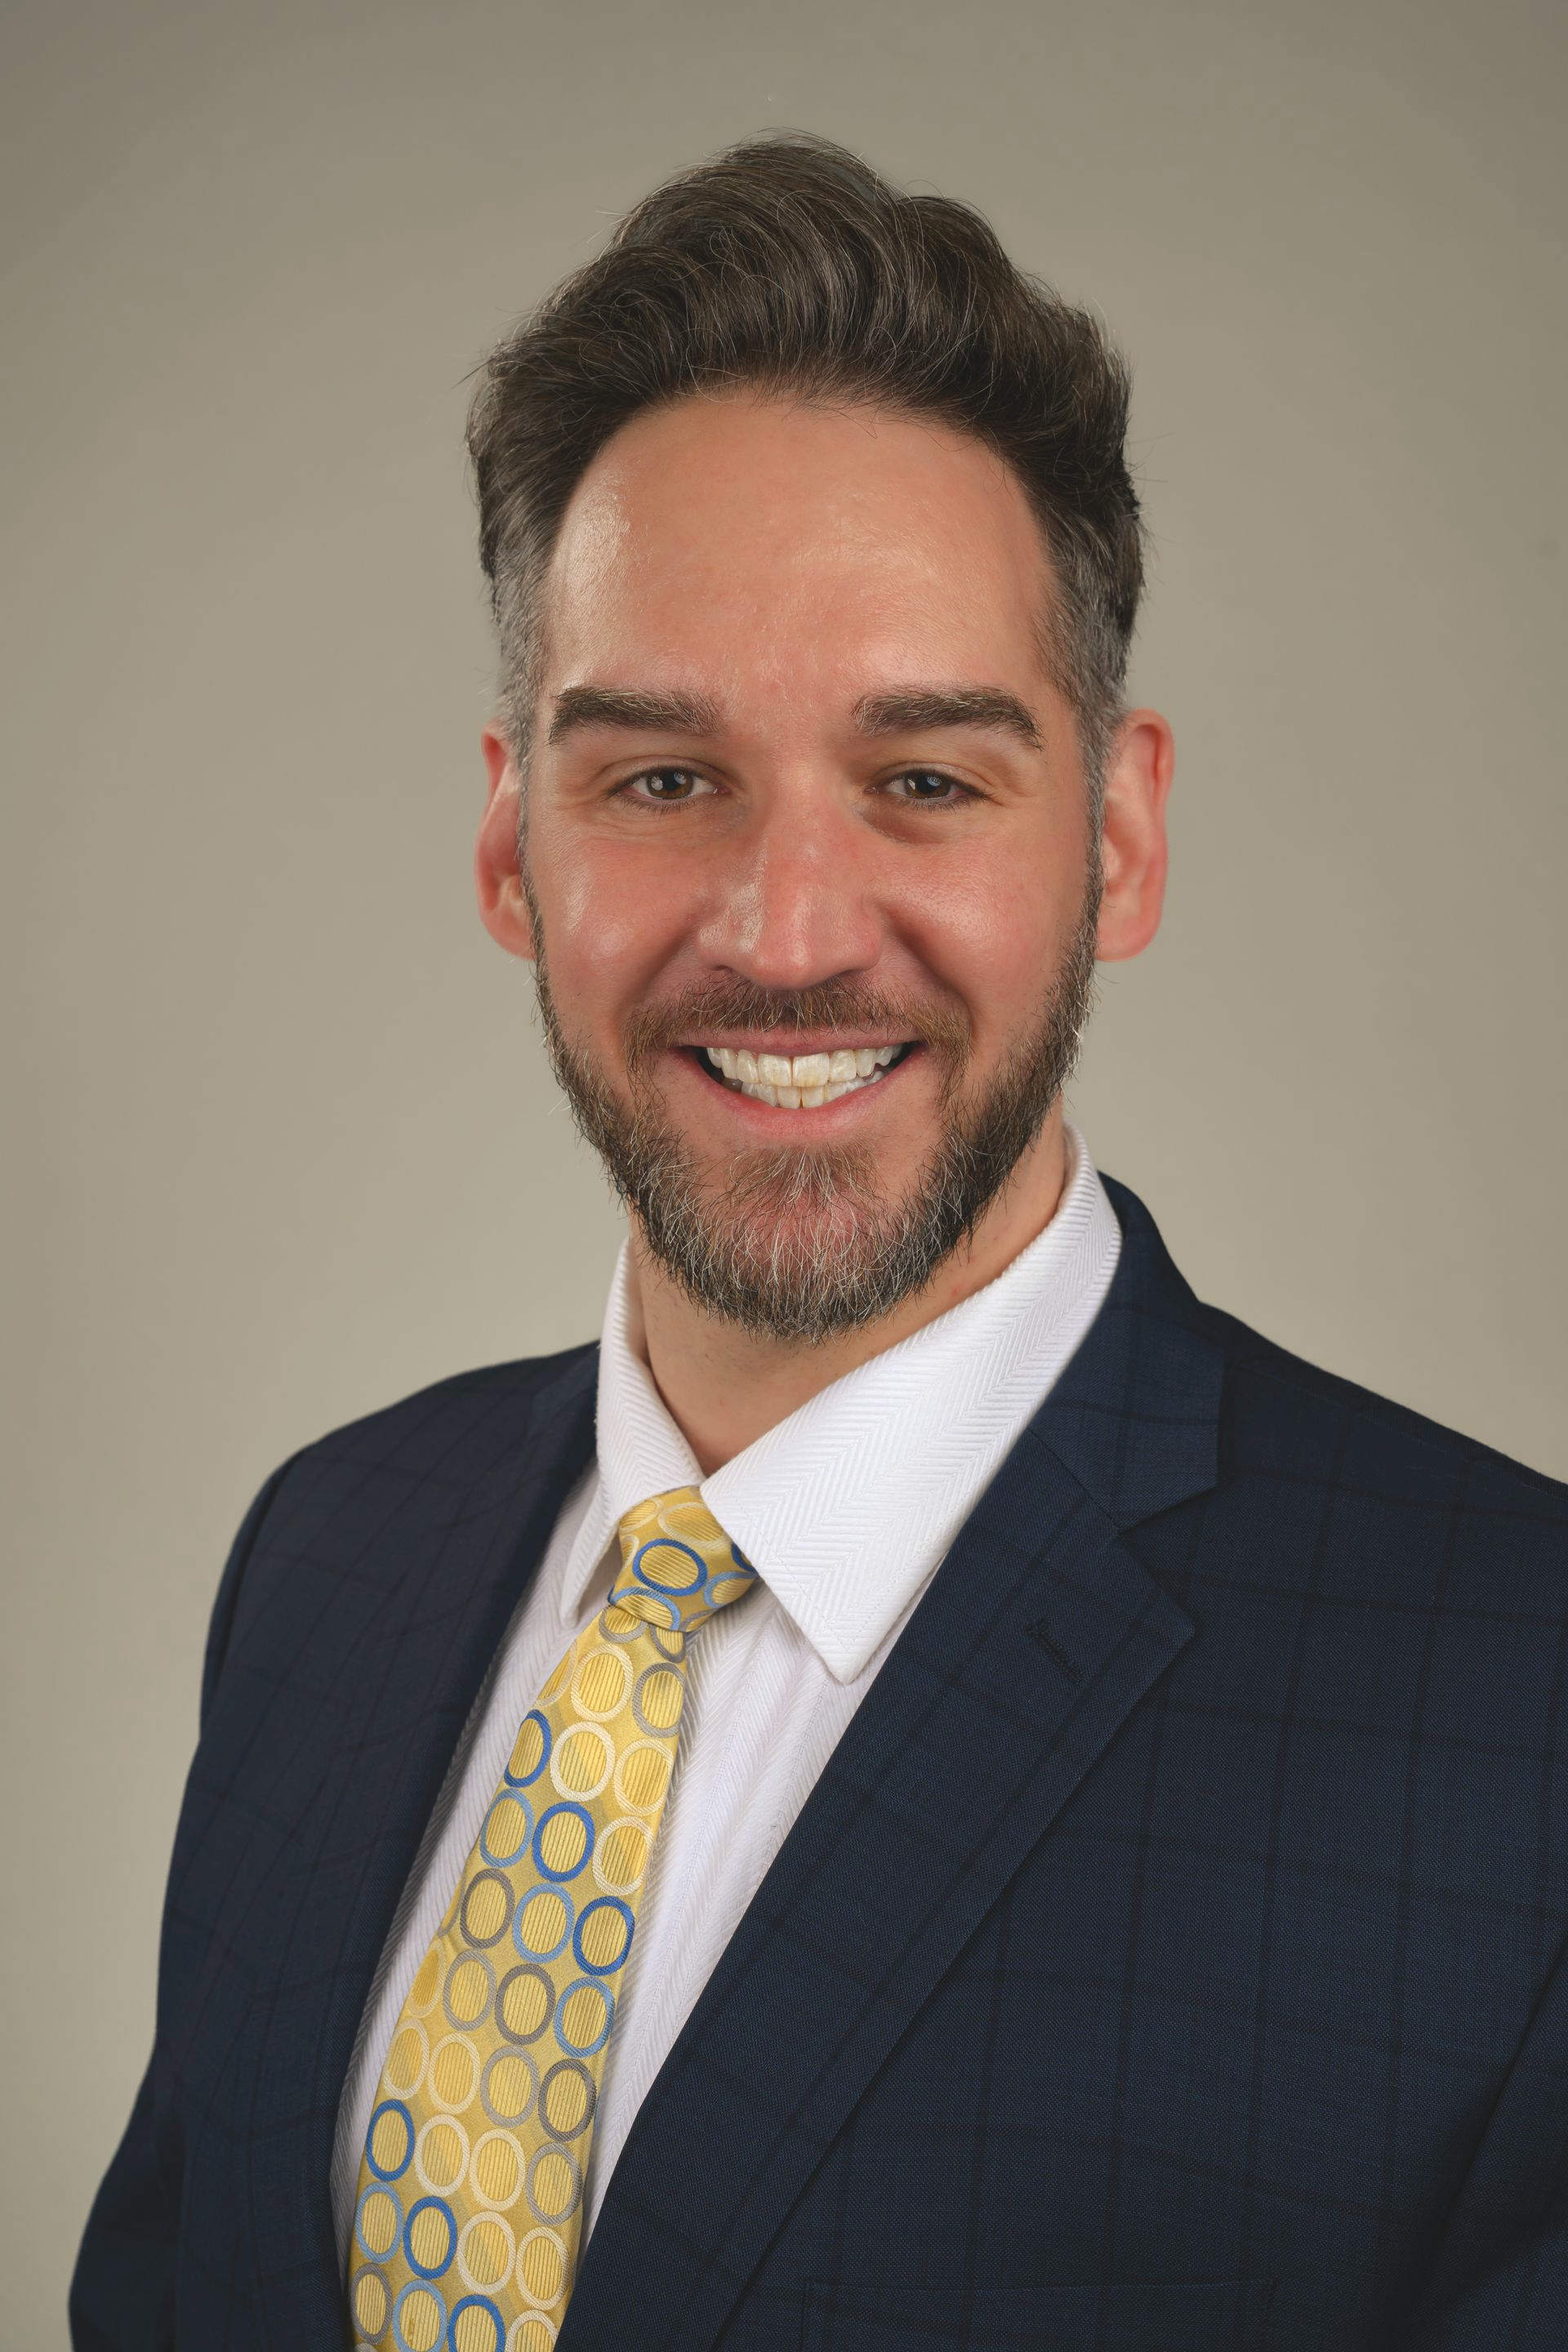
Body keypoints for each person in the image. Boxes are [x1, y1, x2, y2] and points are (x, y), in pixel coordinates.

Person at [73, 134, 1568, 2352]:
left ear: (1118, 838)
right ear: (513, 844)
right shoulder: (328, 1554)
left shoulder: (1522, 1714)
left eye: (926, 780)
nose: (784, 939)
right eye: (662, 779)